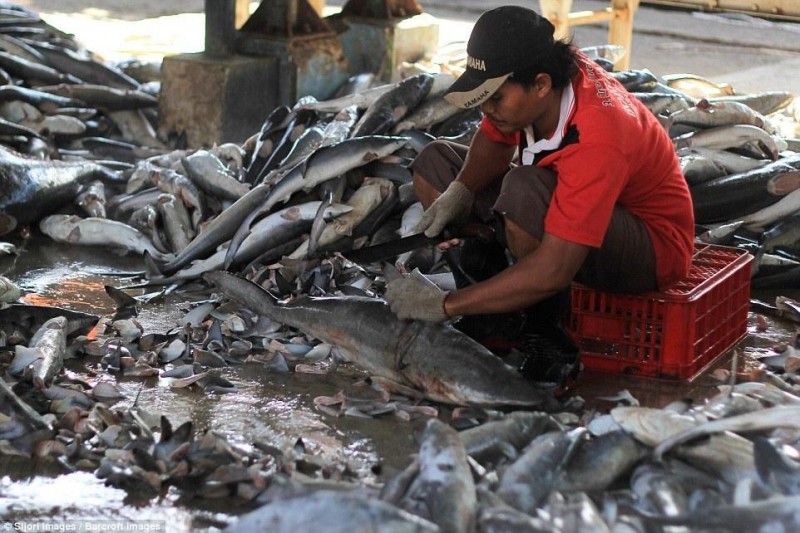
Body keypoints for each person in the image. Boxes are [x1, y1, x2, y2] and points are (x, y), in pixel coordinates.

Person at [384, 5, 695, 379]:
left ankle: (548, 334)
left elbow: (554, 269)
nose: (487, 108)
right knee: (437, 163)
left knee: (524, 191)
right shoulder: (540, 78)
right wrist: (460, 192)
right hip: (582, 212)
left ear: (541, 85)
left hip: (652, 249)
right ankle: (495, 319)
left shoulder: (601, 134)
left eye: (495, 98)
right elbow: (495, 139)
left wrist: (444, 304)